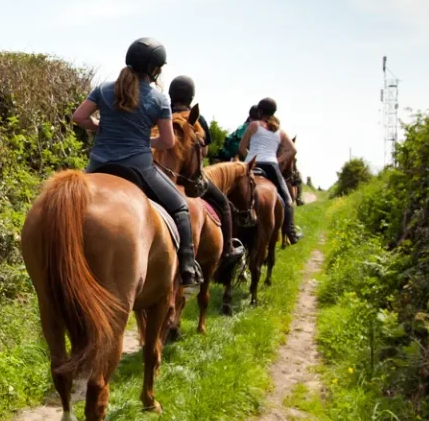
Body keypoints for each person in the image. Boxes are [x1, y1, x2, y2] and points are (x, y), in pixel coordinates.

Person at [70, 38, 202, 285]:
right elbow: (167, 142)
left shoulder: (104, 89)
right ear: (155, 69)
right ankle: (187, 269)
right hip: (138, 169)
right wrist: (144, 141)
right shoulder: (160, 100)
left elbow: (79, 117)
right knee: (181, 208)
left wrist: (99, 126)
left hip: (98, 165)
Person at [167, 75, 245, 275]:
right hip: (190, 176)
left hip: (165, 171)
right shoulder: (196, 118)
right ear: (191, 96)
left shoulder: (163, 111)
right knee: (224, 204)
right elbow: (204, 151)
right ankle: (227, 249)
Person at [239, 98, 301, 244]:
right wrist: (276, 160)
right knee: (288, 200)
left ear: (259, 111)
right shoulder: (280, 131)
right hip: (271, 167)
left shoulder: (254, 125)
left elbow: (241, 147)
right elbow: (292, 150)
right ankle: (291, 233)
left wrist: (251, 158)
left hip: (251, 166)